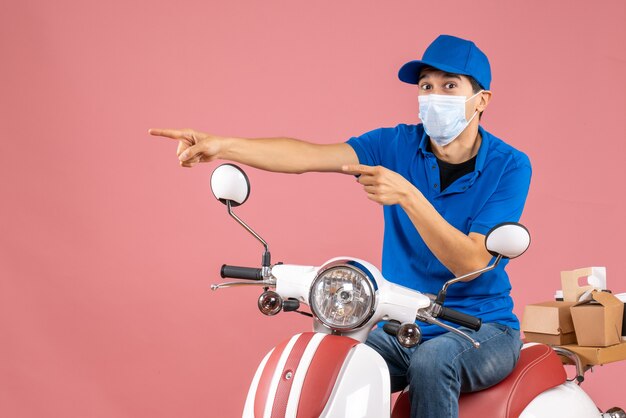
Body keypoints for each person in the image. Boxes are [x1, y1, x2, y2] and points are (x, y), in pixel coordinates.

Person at [150, 34, 531, 418]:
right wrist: (222, 146)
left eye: (450, 86)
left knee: (433, 363)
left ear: (481, 100)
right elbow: (308, 156)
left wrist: (408, 196)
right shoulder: (395, 144)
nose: (434, 96)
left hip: (480, 327)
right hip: (403, 322)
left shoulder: (511, 166)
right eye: (426, 86)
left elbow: (469, 262)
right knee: (338, 360)